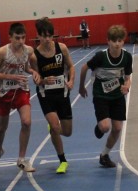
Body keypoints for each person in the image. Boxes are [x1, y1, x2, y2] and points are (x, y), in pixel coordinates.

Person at [78, 24, 132, 167]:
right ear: (108, 41)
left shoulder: (127, 57)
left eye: (120, 41)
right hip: (101, 95)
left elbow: (127, 77)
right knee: (105, 127)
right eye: (114, 41)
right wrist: (81, 86)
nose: (117, 44)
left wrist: (127, 86)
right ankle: (99, 127)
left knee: (117, 128)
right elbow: (84, 68)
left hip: (117, 96)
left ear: (123, 41)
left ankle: (104, 155)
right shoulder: (101, 57)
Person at [0, 22, 40, 173]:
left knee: (26, 122)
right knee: (2, 128)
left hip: (21, 90)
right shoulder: (2, 52)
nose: (21, 41)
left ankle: (21, 159)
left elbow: (26, 67)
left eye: (23, 37)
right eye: (17, 38)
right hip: (5, 92)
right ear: (10, 37)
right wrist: (8, 77)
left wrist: (33, 72)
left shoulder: (28, 50)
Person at [33, 17, 75, 174]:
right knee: (56, 127)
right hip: (46, 94)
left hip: (62, 93)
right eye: (43, 36)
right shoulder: (34, 56)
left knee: (68, 131)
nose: (47, 39)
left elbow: (71, 67)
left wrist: (71, 81)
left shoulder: (61, 48)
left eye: (49, 36)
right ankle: (63, 160)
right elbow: (36, 78)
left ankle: (53, 128)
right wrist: (43, 80)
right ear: (38, 36)